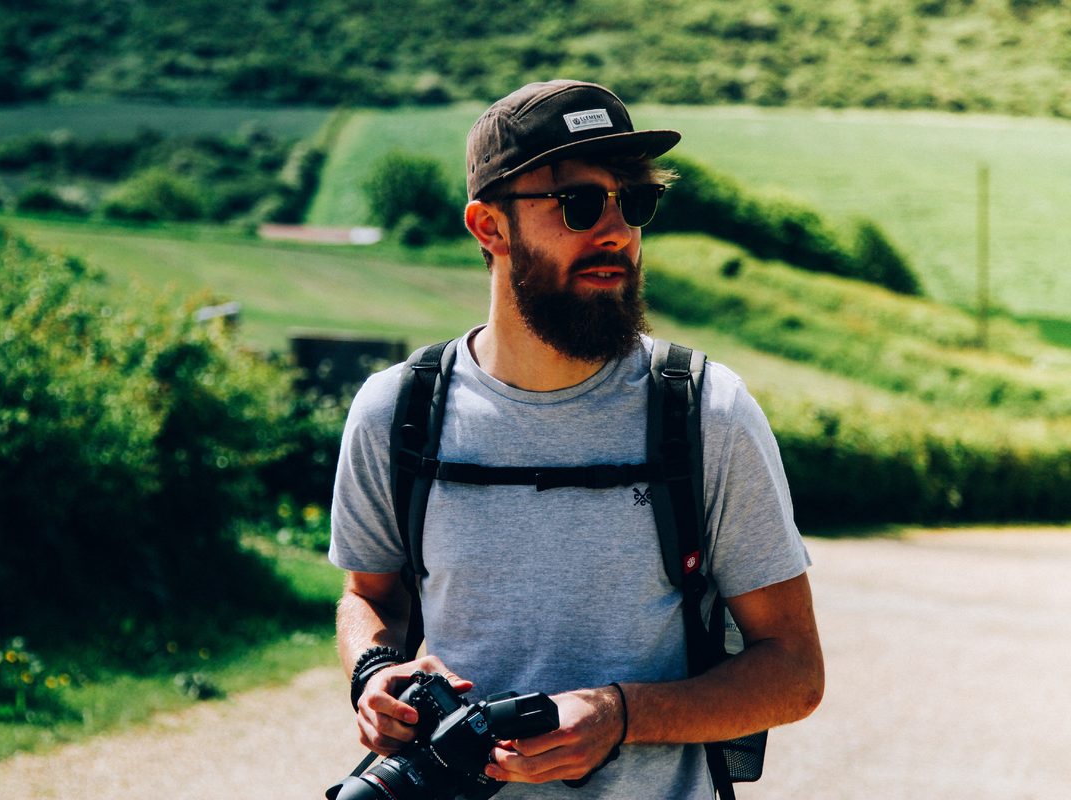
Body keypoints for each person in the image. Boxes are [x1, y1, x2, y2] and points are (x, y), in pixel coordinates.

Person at [328, 79, 824, 798]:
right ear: (489, 227)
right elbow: (368, 596)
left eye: (634, 201)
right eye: (580, 204)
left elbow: (794, 672)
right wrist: (374, 672)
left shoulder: (706, 414)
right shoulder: (396, 413)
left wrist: (621, 716)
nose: (617, 231)